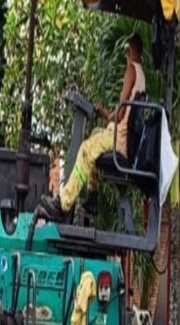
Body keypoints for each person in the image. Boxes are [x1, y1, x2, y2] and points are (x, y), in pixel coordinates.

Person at [37, 34, 147, 222]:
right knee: (96, 136)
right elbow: (124, 112)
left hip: (120, 138)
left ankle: (63, 203)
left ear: (130, 51)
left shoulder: (131, 70)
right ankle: (93, 197)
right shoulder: (142, 76)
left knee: (86, 149)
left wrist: (109, 115)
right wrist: (103, 113)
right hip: (124, 136)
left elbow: (120, 113)